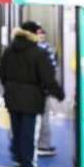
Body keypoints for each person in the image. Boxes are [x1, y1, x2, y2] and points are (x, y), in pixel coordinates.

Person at [0, 22, 65, 167]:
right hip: (32, 100)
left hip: (12, 98)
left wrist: (10, 88)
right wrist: (59, 94)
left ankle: (18, 159)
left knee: (17, 131)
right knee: (30, 135)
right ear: (34, 34)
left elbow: (2, 74)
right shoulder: (39, 53)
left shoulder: (8, 51)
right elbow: (48, 79)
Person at [21, 21, 59, 157]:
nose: (41, 35)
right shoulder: (39, 50)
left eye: (43, 32)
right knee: (39, 118)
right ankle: (39, 145)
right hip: (35, 90)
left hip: (38, 90)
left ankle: (38, 144)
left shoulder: (45, 49)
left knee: (41, 118)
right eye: (38, 33)